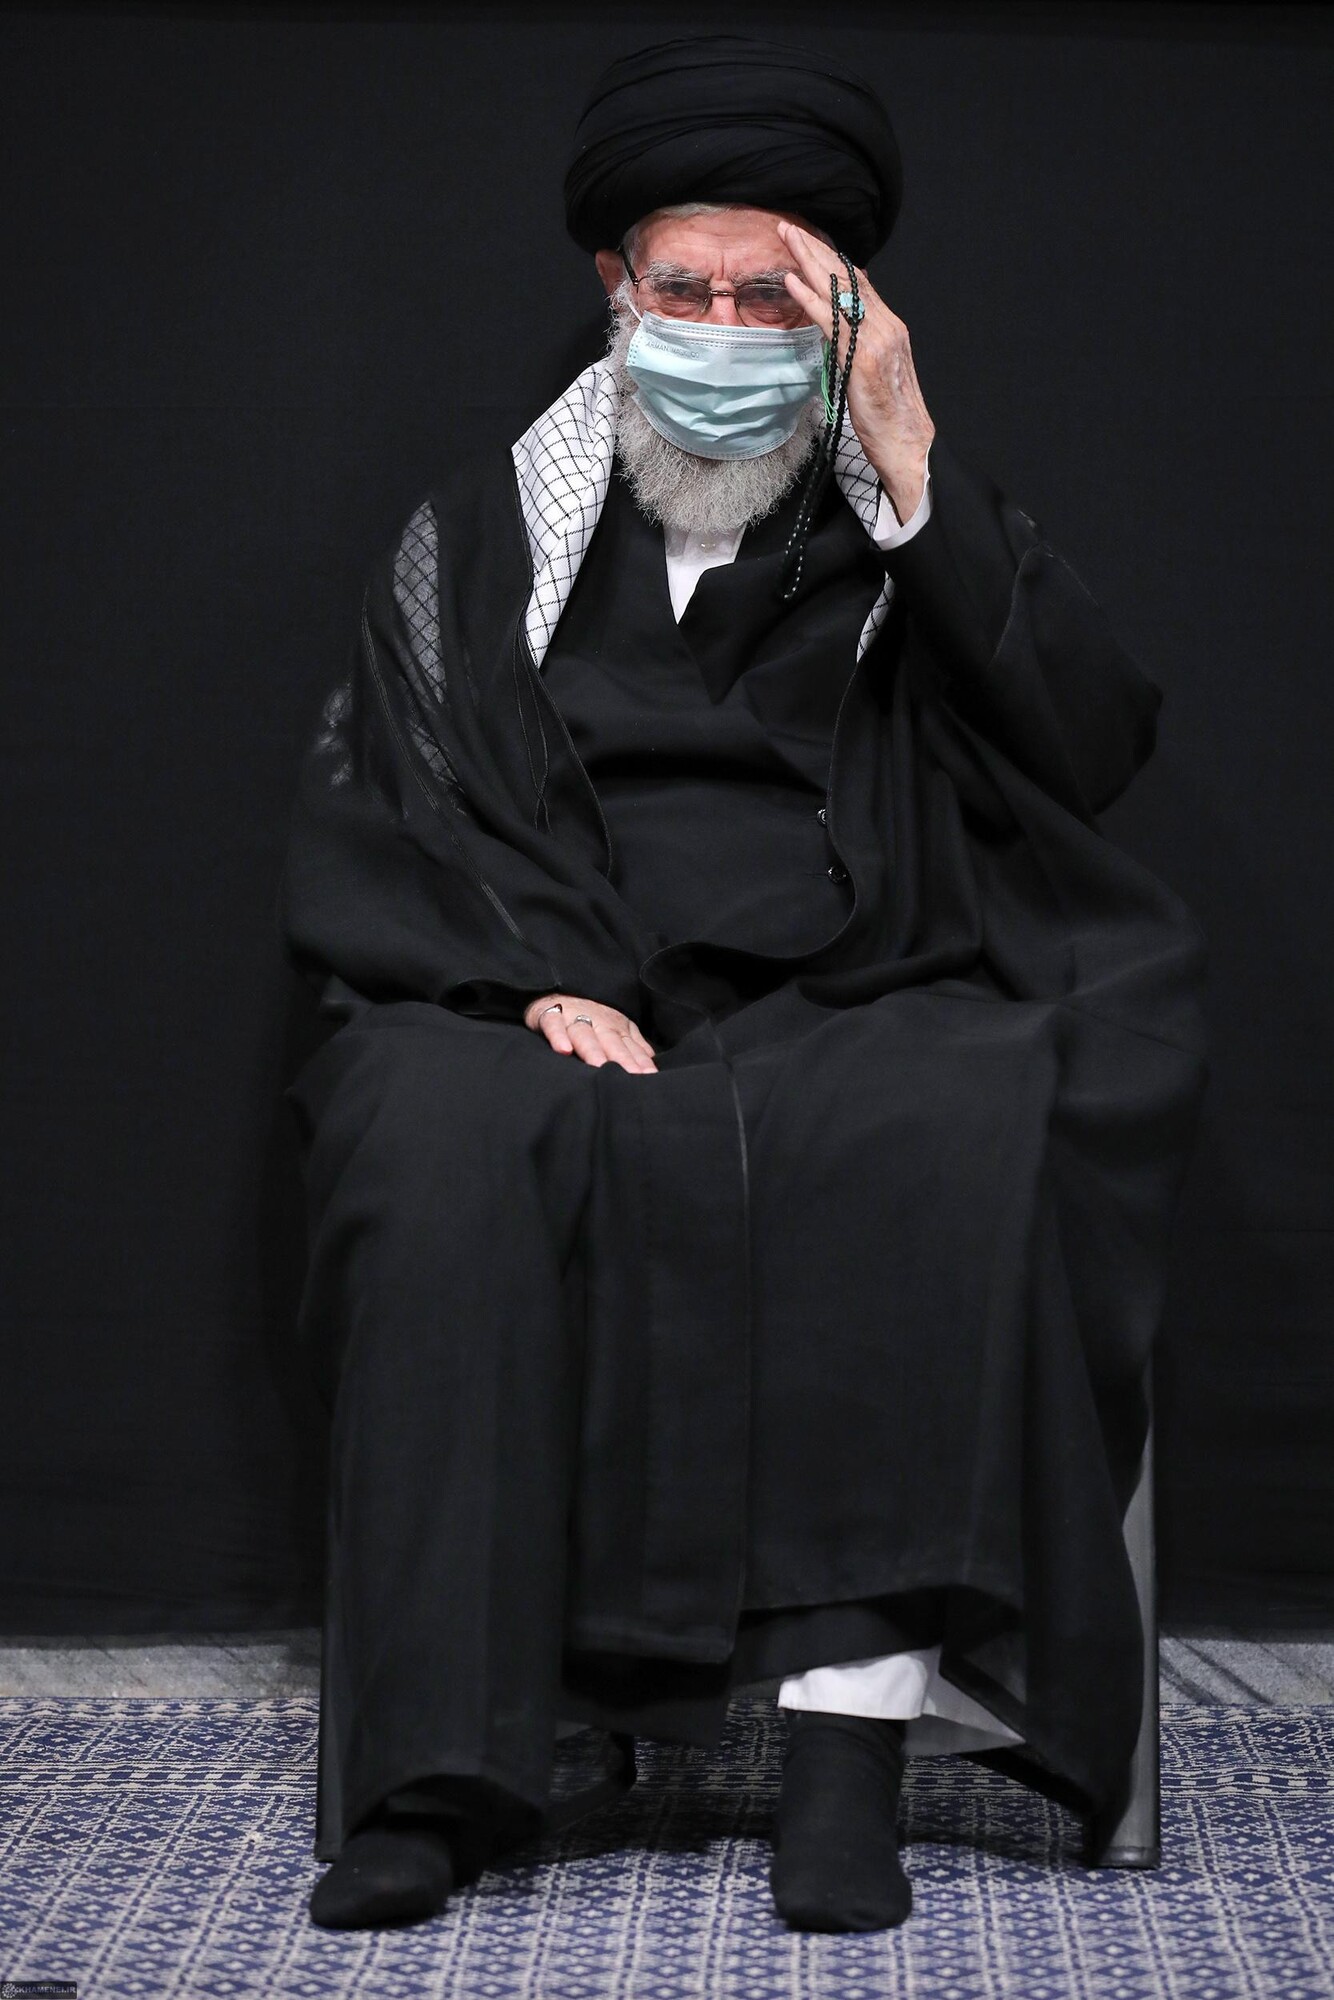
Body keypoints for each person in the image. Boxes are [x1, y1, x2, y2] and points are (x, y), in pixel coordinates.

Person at [279, 33, 1209, 1936]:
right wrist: (530, 980)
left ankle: (840, 1758)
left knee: (938, 1115)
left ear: (839, 307)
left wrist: (909, 452)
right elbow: (396, 803)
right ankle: (443, 1772)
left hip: (855, 973)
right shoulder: (479, 530)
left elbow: (1088, 742)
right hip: (549, 975)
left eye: (765, 297)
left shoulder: (904, 512)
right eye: (680, 289)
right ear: (612, 290)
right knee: (431, 1133)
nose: (718, 328)